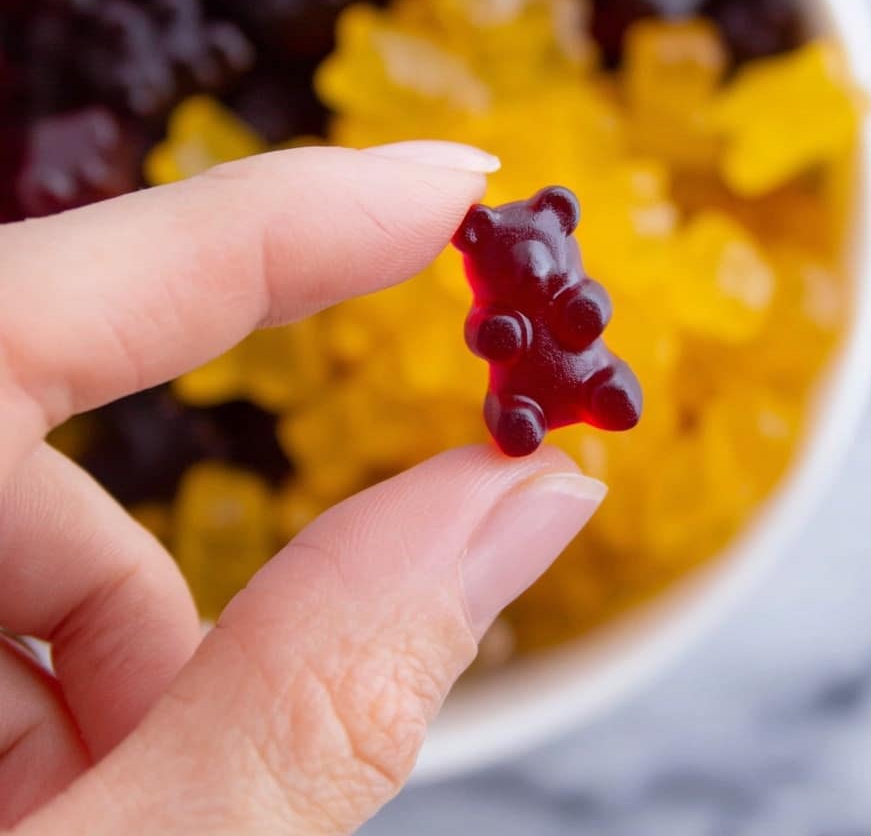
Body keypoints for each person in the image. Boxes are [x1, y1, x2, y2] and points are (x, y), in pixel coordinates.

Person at [0, 141, 606, 834]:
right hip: (525, 401)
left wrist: (576, 312)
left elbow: (583, 305)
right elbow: (488, 332)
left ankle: (599, 389)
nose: (530, 266)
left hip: (579, 365)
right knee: (519, 416)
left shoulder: (564, 281)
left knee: (592, 379)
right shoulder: (493, 305)